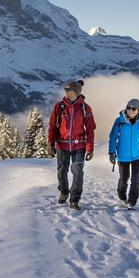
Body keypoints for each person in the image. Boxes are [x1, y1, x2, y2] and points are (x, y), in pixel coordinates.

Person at [48, 79, 96, 210]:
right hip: (62, 146)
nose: (66, 92)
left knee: (78, 172)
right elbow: (52, 126)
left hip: (79, 147)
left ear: (76, 91)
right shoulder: (59, 107)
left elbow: (90, 130)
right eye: (66, 90)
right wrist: (50, 143)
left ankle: (74, 199)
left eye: (69, 90)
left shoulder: (85, 108)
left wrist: (90, 148)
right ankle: (64, 192)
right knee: (62, 171)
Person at [108, 98, 139, 210]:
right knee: (124, 178)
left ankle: (132, 201)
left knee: (135, 179)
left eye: (133, 108)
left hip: (138, 156)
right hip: (123, 155)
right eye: (128, 107)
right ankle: (122, 196)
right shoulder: (119, 121)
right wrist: (112, 153)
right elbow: (113, 137)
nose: (130, 110)